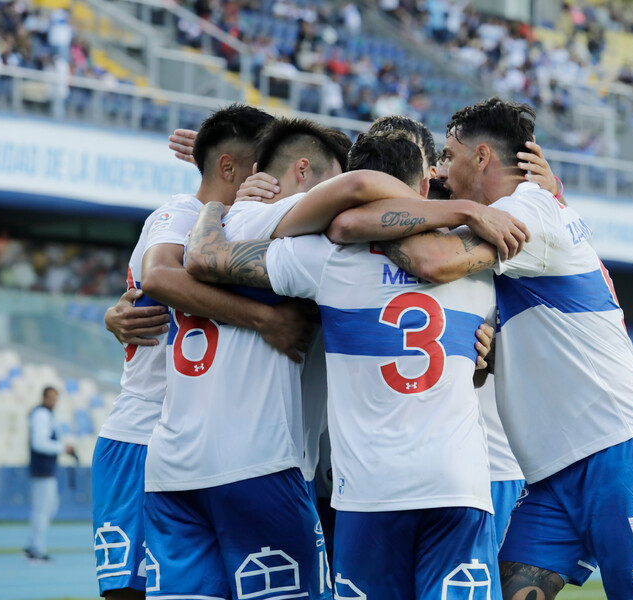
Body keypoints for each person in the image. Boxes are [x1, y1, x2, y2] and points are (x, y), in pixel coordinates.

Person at [313, 97, 633, 600]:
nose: (441, 169)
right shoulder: (529, 208)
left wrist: (356, 217)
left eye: (449, 154)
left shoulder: (526, 209)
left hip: (619, 449)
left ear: (483, 156)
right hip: (556, 470)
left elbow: (431, 259)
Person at [184, 131, 517, 599]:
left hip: (369, 491)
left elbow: (205, 258)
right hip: (458, 485)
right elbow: (476, 369)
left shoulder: (325, 257)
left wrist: (215, 205)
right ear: (423, 188)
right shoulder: (474, 258)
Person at [95, 104, 318, 599]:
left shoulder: (231, 226)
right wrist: (265, 319)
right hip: (143, 433)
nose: (273, 180)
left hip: (190, 438)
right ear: (234, 168)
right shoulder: (182, 214)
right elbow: (158, 278)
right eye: (264, 166)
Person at [143, 116, 351, 600]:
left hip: (174, 465)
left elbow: (152, 281)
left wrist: (223, 189)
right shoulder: (298, 231)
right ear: (303, 173)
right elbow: (359, 206)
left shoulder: (207, 219)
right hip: (260, 461)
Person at [27, 386, 76, 562]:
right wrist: (62, 447)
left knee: (48, 507)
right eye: (51, 398)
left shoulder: (46, 415)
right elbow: (39, 443)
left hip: (46, 470)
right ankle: (36, 548)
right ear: (44, 397)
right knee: (42, 510)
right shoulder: (41, 415)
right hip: (42, 470)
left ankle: (34, 545)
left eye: (56, 398)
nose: (53, 401)